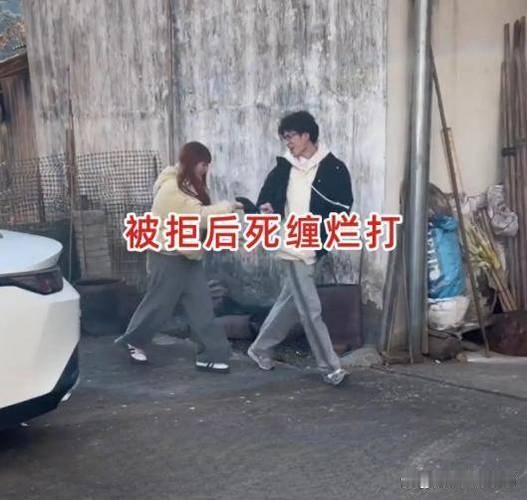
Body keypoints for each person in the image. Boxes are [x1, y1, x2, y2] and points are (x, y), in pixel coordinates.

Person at [115, 141, 243, 373]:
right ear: (192, 163)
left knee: (202, 307)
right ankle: (133, 341)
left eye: (207, 165)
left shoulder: (188, 185)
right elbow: (198, 215)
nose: (205, 169)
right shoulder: (171, 188)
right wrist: (228, 207)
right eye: (203, 164)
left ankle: (211, 354)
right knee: (159, 306)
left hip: (188, 256)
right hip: (166, 257)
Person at [247, 111, 353, 386]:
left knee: (292, 303)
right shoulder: (284, 168)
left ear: (307, 135)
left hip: (314, 245)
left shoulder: (333, 168)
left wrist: (325, 240)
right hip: (291, 246)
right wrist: (266, 208)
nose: (288, 142)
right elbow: (266, 199)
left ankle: (260, 348)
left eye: (291, 136)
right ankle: (330, 367)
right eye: (285, 138)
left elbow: (343, 205)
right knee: (310, 309)